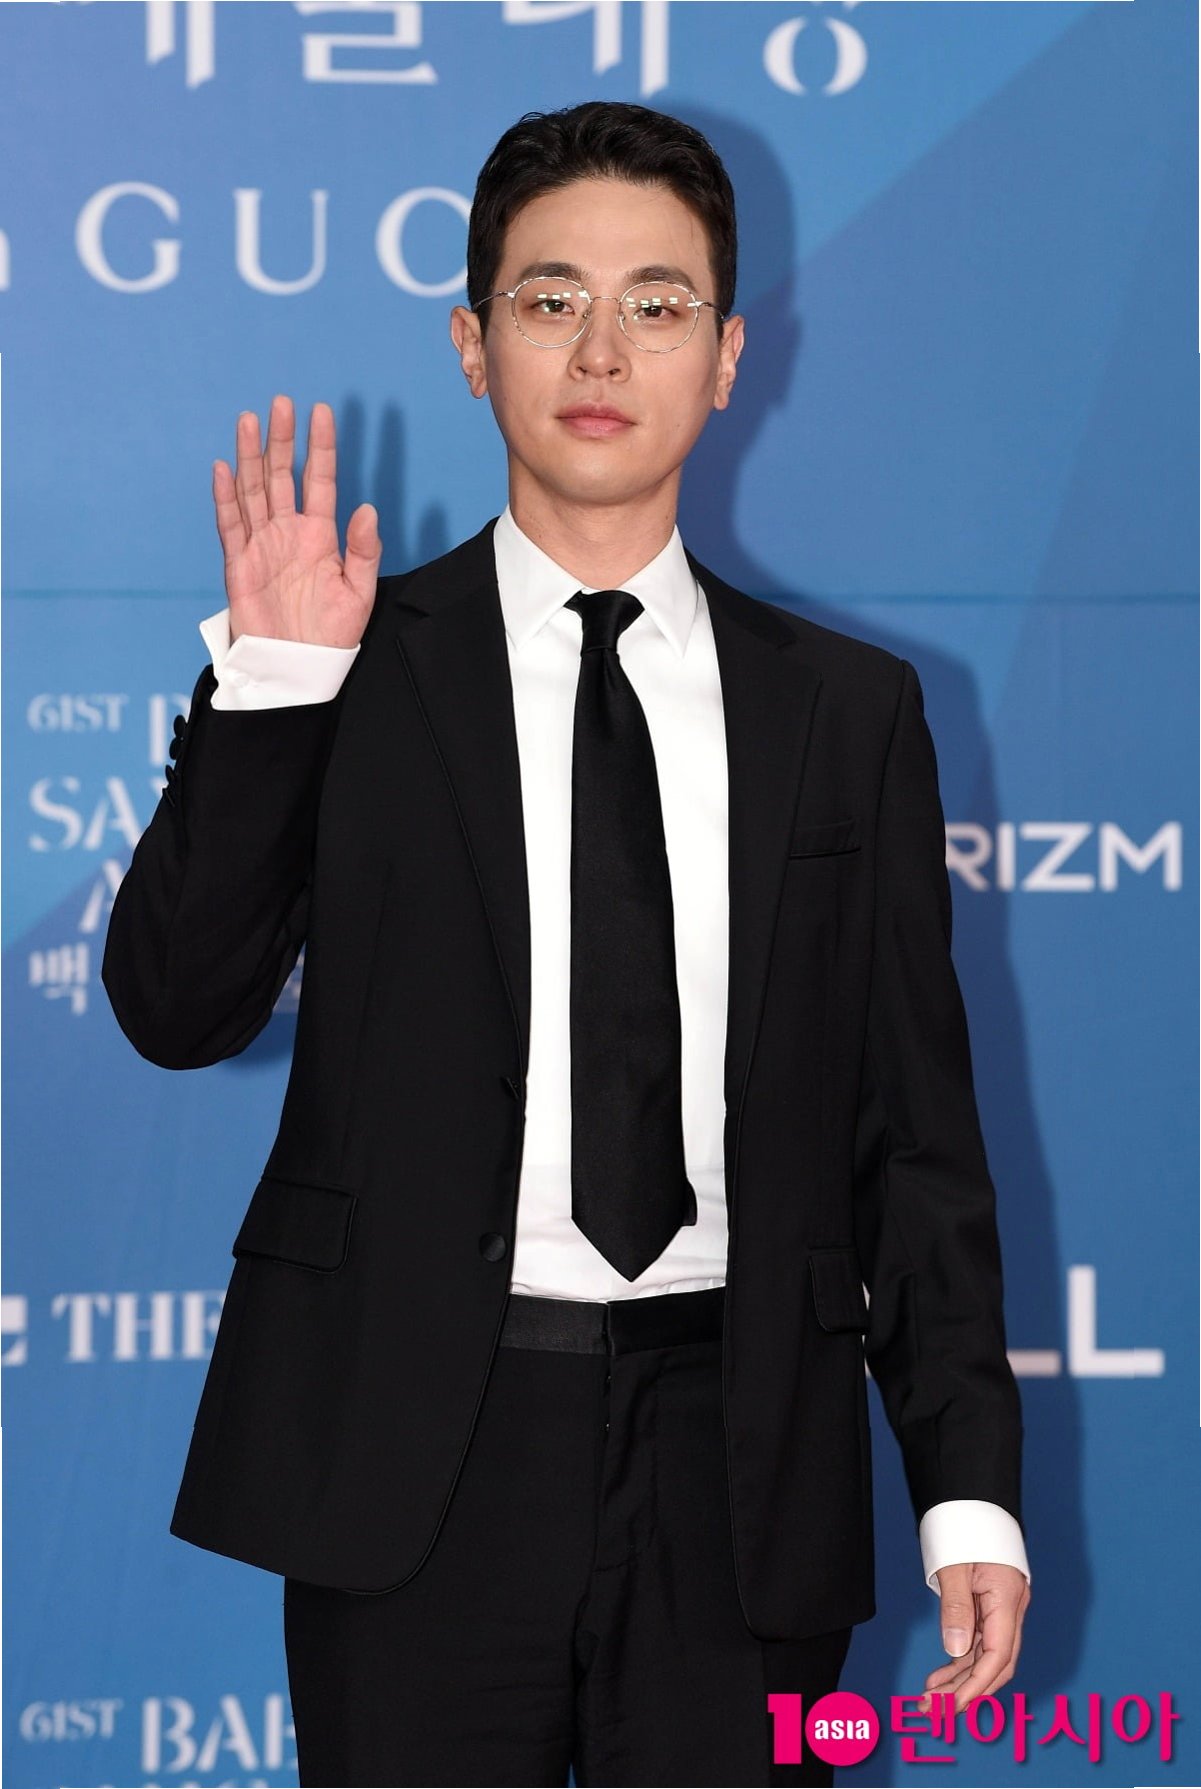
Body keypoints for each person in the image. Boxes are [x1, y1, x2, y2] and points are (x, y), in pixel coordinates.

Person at [102, 100, 1031, 1788]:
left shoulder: (847, 714)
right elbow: (176, 1005)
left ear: (727, 356)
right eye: (550, 300)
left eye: (656, 304)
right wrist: (277, 686)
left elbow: (914, 1142)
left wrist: (964, 1486)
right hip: (418, 1457)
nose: (602, 349)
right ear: (472, 345)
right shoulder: (344, 665)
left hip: (741, 1458)